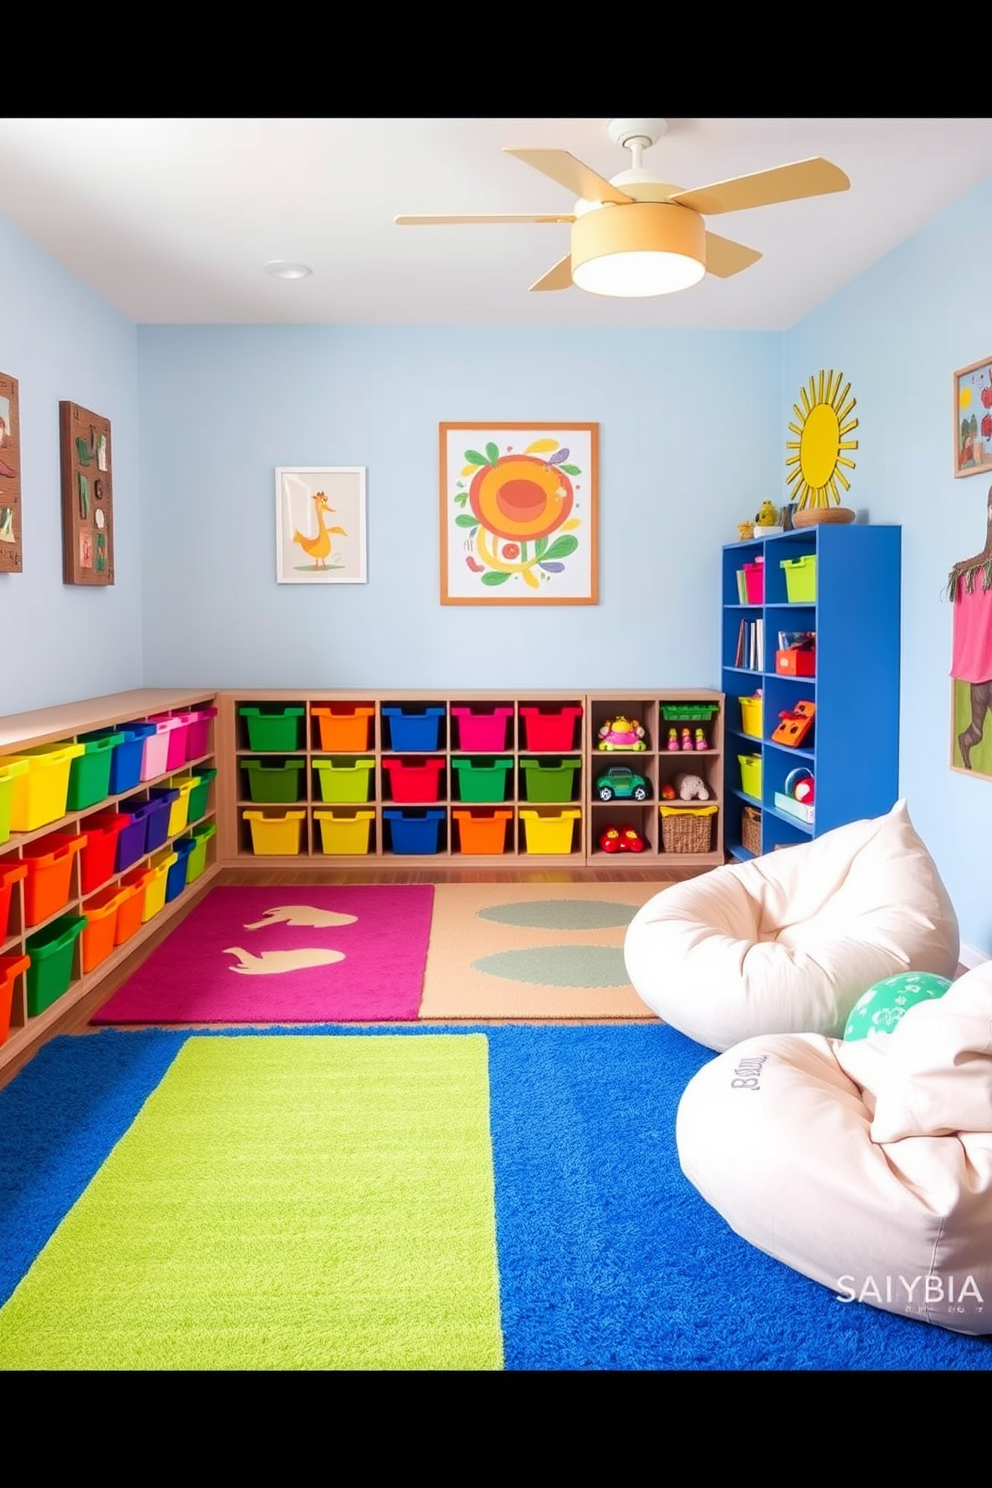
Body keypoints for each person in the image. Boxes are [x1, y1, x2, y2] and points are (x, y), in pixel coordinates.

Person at [949, 482, 992, 768]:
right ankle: (966, 756)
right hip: (982, 675)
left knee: (975, 732)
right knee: (975, 732)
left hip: (981, 672)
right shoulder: (972, 573)